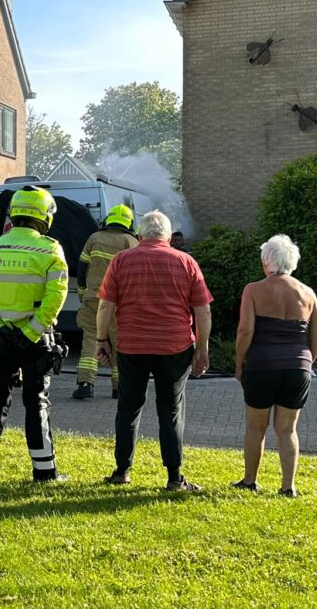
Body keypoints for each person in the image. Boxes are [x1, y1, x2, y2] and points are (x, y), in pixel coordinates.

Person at [97, 210, 212, 492]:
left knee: (128, 408)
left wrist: (101, 339)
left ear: (140, 235)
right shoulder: (186, 261)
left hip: (132, 345)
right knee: (171, 410)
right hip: (175, 347)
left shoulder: (121, 260)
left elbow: (105, 306)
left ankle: (122, 471)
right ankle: (174, 477)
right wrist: (202, 348)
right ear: (169, 237)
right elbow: (203, 309)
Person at [0, 186, 69, 481]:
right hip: (35, 341)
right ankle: (44, 471)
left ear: (15, 213)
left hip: (0, 340)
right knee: (36, 400)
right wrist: (30, 331)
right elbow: (56, 297)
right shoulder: (50, 250)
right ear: (45, 217)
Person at [233, 235, 317, 497]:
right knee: (287, 429)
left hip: (260, 365)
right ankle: (288, 487)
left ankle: (250, 481)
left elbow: (245, 331)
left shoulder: (253, 290)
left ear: (265, 262)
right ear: (293, 262)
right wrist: (307, 362)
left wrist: (239, 364)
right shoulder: (308, 293)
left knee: (255, 426)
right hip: (297, 367)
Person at [72, 204, 138, 400]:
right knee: (120, 344)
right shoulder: (131, 241)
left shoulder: (94, 238)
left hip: (94, 299)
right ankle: (119, 388)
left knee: (91, 339)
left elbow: (82, 269)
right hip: (119, 303)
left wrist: (83, 293)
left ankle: (85, 384)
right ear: (129, 223)